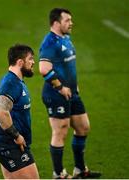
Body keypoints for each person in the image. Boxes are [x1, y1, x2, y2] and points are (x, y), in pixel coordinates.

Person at [39, 8, 101, 179]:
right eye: (67, 20)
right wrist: (60, 87)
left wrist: (74, 85)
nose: (71, 23)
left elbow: (68, 67)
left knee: (83, 127)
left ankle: (80, 170)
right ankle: (58, 174)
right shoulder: (50, 43)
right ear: (56, 23)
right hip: (56, 94)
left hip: (72, 92)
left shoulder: (66, 39)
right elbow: (44, 69)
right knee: (61, 131)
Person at [0, 44, 39, 179]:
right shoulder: (11, 84)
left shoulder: (17, 82)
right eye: (30, 59)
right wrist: (16, 136)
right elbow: (0, 112)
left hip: (11, 143)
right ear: (20, 62)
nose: (33, 62)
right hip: (10, 144)